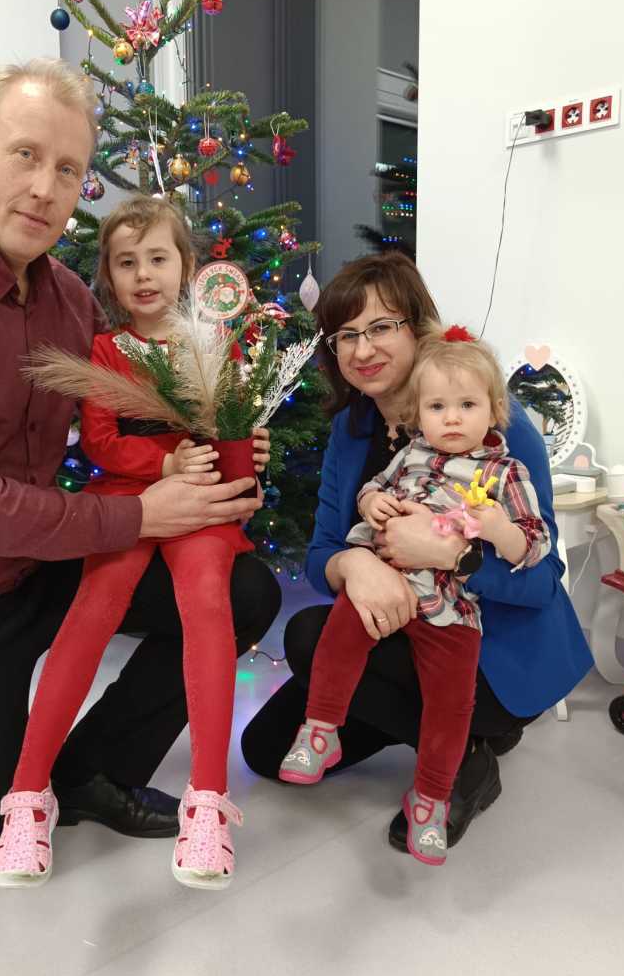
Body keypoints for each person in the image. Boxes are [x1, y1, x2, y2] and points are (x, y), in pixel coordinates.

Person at [0, 58, 280, 876]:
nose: (45, 188)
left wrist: (223, 441)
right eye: (26, 155)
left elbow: (138, 409)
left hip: (31, 564)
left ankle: (91, 770)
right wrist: (142, 514)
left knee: (244, 591)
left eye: (68, 169)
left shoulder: (68, 299)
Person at [241, 252, 591, 853]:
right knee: (264, 750)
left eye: (381, 326)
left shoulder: (496, 428)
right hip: (398, 629)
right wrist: (355, 563)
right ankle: (410, 722)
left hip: (487, 652)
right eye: (346, 335)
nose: (362, 349)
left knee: (306, 635)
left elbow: (542, 578)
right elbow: (323, 552)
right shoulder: (352, 429)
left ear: (418, 326)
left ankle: (466, 759)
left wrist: (453, 555)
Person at [0, 196, 268, 890]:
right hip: (128, 501)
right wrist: (163, 463)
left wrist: (245, 452)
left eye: (157, 258)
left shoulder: (216, 344)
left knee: (209, 605)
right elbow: (102, 442)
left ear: (186, 266)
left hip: (200, 502)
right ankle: (28, 796)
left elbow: (232, 426)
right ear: (109, 277)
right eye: (125, 262)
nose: (143, 274)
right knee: (93, 611)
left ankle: (208, 801)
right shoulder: (106, 351)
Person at [277, 325, 550, 863]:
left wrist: (496, 530)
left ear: (494, 410)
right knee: (337, 632)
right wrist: (371, 502)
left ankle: (432, 797)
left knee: (451, 702)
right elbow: (374, 488)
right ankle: (321, 729)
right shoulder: (410, 454)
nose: (452, 419)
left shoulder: (505, 472)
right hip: (389, 585)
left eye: (467, 405)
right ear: (418, 415)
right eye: (437, 407)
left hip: (451, 606)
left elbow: (535, 546)